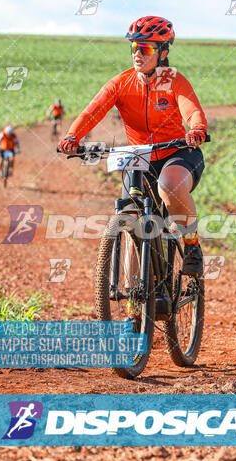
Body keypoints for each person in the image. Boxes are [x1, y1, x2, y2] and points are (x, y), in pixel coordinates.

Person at [58, 15, 208, 276]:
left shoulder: (174, 80)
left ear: (162, 52)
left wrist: (196, 129)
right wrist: (73, 136)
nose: (137, 53)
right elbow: (92, 112)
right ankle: (134, 307)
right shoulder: (121, 82)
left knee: (168, 186)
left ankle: (191, 243)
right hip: (139, 158)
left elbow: (192, 110)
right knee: (133, 226)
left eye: (145, 48)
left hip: (177, 153)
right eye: (133, 48)